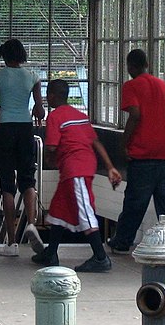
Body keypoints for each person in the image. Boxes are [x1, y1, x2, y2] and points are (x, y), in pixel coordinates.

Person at [32, 79, 123, 273]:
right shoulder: (80, 115)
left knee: (85, 213)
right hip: (83, 167)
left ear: (53, 96)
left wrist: (49, 159)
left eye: (48, 95)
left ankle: (100, 257)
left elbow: (51, 146)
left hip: (75, 170)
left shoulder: (55, 116)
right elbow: (95, 141)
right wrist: (110, 167)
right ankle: (51, 253)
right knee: (59, 209)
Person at [107, 49, 165, 253]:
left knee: (136, 200)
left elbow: (134, 114)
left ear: (130, 66)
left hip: (143, 152)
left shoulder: (131, 86)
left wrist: (124, 143)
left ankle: (123, 241)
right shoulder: (161, 84)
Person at [0, 38, 45, 257]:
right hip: (25, 130)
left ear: (3, 55)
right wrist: (35, 112)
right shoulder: (33, 77)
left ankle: (11, 243)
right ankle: (31, 223)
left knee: (7, 184)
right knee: (28, 179)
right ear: (22, 56)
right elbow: (40, 111)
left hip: (5, 131)